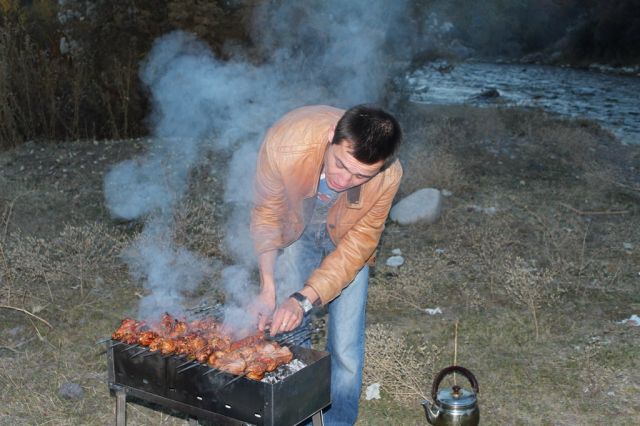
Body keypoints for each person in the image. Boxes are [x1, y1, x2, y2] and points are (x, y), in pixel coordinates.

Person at [250, 104, 402, 425]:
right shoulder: (285, 143)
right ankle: (297, 416)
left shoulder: (388, 177)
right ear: (333, 136)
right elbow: (266, 215)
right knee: (290, 334)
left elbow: (357, 247)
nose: (343, 180)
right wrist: (268, 286)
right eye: (340, 164)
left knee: (345, 345)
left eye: (360, 175)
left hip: (347, 234)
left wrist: (304, 298)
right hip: (297, 223)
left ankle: (336, 423)